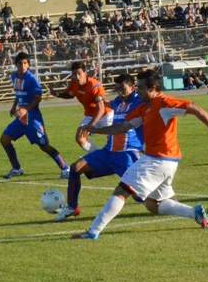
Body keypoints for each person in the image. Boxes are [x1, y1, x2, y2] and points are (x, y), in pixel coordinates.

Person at [72, 69, 208, 240]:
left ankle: (93, 232)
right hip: (164, 162)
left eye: (140, 88)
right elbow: (123, 127)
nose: (137, 92)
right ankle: (195, 213)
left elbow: (194, 108)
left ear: (153, 88)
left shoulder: (164, 103)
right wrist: (96, 130)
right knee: (153, 204)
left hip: (158, 161)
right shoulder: (144, 107)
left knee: (121, 191)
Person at [55, 73, 143, 222]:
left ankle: (167, 202)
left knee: (142, 197)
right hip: (108, 152)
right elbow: (105, 105)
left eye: (123, 87)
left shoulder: (140, 102)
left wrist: (94, 128)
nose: (119, 90)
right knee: (76, 168)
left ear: (133, 87)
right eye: (117, 87)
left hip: (127, 154)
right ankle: (72, 208)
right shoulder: (118, 102)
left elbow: (123, 126)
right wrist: (97, 101)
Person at [0, 52, 69, 179]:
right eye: (20, 63)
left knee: (44, 145)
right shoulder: (14, 76)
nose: (22, 65)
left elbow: (38, 98)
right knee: (4, 139)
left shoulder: (32, 79)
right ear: (16, 65)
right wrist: (14, 106)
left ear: (29, 65)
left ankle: (65, 169)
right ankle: (16, 169)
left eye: (25, 63)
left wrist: (26, 109)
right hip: (21, 118)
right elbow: (18, 93)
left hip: (33, 118)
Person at [51, 61, 114, 152]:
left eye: (79, 73)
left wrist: (90, 125)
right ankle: (97, 156)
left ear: (85, 73)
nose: (76, 76)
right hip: (90, 115)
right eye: (74, 74)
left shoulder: (94, 85)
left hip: (105, 115)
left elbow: (101, 109)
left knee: (113, 140)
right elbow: (70, 94)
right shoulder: (74, 83)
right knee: (80, 138)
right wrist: (57, 94)